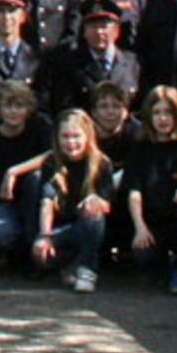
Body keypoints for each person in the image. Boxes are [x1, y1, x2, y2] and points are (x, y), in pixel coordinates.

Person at [121, 87, 177, 295]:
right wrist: (140, 226)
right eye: (157, 113)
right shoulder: (140, 149)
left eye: (168, 113)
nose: (163, 119)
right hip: (152, 220)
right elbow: (133, 191)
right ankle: (160, 266)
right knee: (142, 257)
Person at [33, 107, 116, 294]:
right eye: (65, 136)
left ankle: (87, 269)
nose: (71, 142)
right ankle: (72, 263)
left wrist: (94, 199)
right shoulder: (51, 162)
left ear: (87, 136)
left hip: (91, 227)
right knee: (40, 256)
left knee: (93, 215)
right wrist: (45, 237)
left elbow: (108, 204)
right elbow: (47, 201)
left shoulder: (102, 163)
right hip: (63, 229)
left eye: (76, 136)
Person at [0, 80, 56, 269]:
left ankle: (32, 251)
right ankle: (17, 252)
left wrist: (13, 171)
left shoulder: (39, 127)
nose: (13, 111)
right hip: (4, 204)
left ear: (28, 108)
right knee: (1, 233)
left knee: (35, 179)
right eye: (7, 105)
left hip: (38, 200)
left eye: (19, 106)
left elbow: (53, 154)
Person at [40, 0, 140, 117]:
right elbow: (64, 107)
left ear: (116, 31)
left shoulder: (133, 63)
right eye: (93, 26)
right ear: (84, 32)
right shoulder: (69, 64)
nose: (98, 32)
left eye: (104, 26)